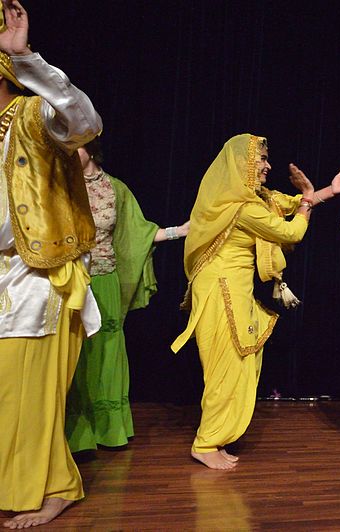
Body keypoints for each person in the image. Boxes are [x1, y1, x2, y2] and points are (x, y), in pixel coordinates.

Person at [172, 133, 340, 470]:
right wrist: (306, 203)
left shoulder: (247, 199)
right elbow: (291, 231)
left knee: (238, 364)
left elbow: (288, 203)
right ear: (244, 165)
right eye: (261, 160)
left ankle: (216, 437)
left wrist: (327, 192)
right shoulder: (241, 208)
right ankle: (205, 443)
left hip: (231, 289)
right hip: (221, 292)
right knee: (224, 368)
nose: (267, 166)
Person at [0, 0, 103, 528]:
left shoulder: (32, 115)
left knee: (29, 395)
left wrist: (28, 61)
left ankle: (52, 488)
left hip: (34, 275)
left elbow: (85, 122)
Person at [64, 138, 190, 453]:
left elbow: (140, 234)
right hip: (70, 282)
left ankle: (108, 430)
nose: (68, 153)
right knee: (75, 356)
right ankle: (76, 435)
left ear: (91, 149)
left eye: (75, 147)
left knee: (106, 354)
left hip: (104, 282)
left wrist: (181, 230)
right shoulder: (61, 186)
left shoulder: (115, 189)